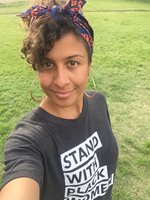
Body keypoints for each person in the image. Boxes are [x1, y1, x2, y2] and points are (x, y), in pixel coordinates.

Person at [0, 0, 118, 200]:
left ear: (89, 63)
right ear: (37, 67)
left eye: (72, 62)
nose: (61, 81)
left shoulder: (99, 103)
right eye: (47, 64)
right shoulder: (28, 140)